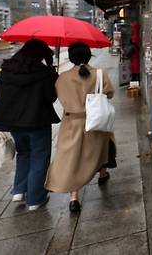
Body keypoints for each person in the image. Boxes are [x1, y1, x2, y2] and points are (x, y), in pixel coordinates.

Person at [45, 42, 116, 213]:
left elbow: (56, 97)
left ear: (71, 57)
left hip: (71, 123)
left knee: (72, 159)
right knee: (102, 149)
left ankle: (74, 197)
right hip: (96, 122)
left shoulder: (62, 77)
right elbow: (110, 93)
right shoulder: (99, 74)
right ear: (88, 55)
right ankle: (103, 173)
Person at [0, 39, 59, 211]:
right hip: (37, 121)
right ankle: (35, 199)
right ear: (39, 56)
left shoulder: (5, 72)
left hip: (13, 123)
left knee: (23, 154)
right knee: (39, 156)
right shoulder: (43, 73)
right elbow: (51, 98)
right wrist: (52, 76)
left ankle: (19, 191)